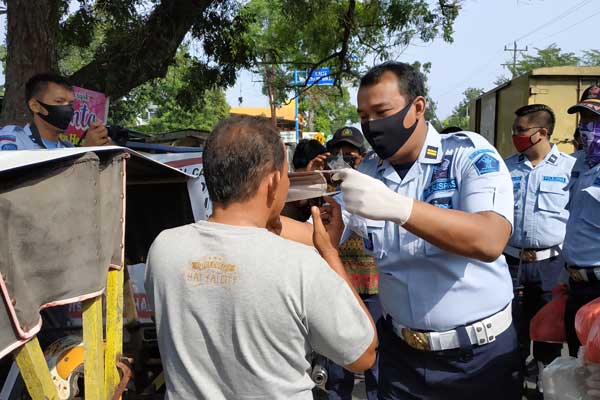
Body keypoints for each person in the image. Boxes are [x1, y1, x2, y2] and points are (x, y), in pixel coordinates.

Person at [298, 61, 521, 399]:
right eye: (363, 115)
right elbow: (321, 234)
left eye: (381, 111)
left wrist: (400, 208)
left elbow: (490, 238)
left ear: (417, 107)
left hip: (477, 358)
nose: (371, 125)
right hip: (402, 359)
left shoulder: (465, 154)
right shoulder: (368, 173)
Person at [145, 116, 377, 399]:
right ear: (273, 181)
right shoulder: (301, 264)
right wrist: (330, 253)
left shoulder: (164, 249)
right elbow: (363, 354)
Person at [503, 104, 575, 387]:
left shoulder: (571, 169)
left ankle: (547, 391)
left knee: (549, 341)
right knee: (510, 339)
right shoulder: (505, 168)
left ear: (542, 133)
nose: (516, 136)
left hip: (551, 267)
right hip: (511, 265)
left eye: (521, 131)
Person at [323, 126, 381, 400]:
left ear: (363, 157)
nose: (343, 158)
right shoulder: (323, 191)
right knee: (338, 363)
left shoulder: (377, 190)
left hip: (376, 290)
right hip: (338, 289)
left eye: (351, 154)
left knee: (378, 365)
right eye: (338, 153)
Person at [563, 85, 600, 357]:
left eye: (596, 120)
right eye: (585, 120)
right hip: (575, 284)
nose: (588, 128)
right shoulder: (576, 163)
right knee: (579, 369)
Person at [0, 73, 110, 150]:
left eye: (70, 104)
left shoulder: (68, 148)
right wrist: (87, 152)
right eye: (59, 101)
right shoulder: (12, 139)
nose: (67, 109)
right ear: (35, 106)